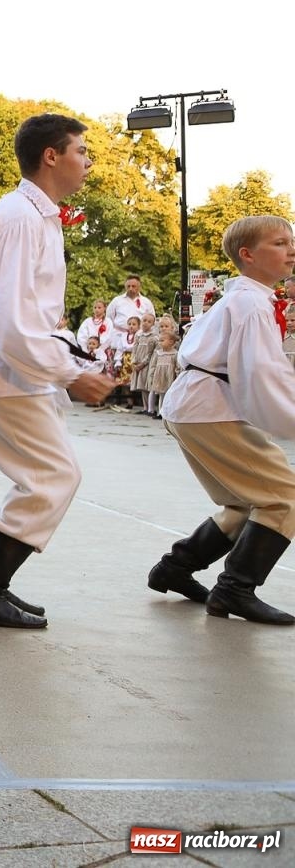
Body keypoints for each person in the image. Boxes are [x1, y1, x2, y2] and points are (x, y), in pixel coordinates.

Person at [0, 114, 115, 629]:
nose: (87, 161)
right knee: (53, 475)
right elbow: (11, 323)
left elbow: (27, 317)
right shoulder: (18, 217)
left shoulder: (36, 216)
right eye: (81, 150)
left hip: (7, 363)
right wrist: (69, 373)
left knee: (48, 475)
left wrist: (73, 359)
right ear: (51, 156)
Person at [150, 216, 295, 624]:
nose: (291, 249)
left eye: (292, 241)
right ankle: (235, 589)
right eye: (280, 243)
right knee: (284, 496)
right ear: (247, 256)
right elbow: (263, 374)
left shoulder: (243, 298)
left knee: (245, 501)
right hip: (209, 409)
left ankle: (176, 568)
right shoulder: (250, 303)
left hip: (195, 407)